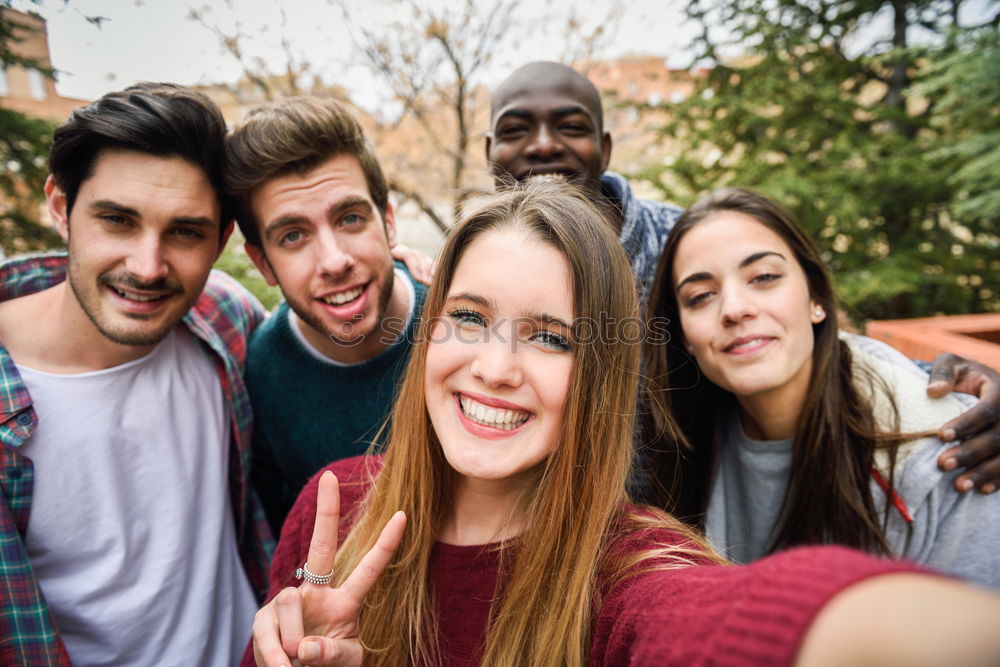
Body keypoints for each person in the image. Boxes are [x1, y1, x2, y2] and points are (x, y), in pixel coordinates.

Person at [245, 181, 1000, 667]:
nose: (496, 367)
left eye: (550, 335)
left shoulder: (634, 573)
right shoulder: (333, 508)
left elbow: (724, 619)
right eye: (468, 319)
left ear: (601, 378)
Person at [487, 60, 1000, 495]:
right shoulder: (479, 260)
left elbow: (790, 336)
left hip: (690, 532)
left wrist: (943, 383)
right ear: (490, 151)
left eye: (571, 127)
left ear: (605, 146)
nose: (543, 146)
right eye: (515, 130)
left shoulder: (683, 244)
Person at [0, 83, 270, 664]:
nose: (148, 267)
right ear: (60, 206)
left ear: (221, 240)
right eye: (118, 221)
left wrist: (401, 275)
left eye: (185, 232)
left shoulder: (224, 320)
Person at [644, 187, 999, 586]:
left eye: (763, 277)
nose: (734, 309)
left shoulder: (945, 449)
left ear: (817, 298)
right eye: (701, 296)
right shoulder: (675, 440)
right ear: (685, 337)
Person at [225, 97, 429, 535]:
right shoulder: (261, 375)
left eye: (350, 218)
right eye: (293, 235)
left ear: (388, 223)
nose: (334, 261)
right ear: (263, 264)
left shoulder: (463, 322)